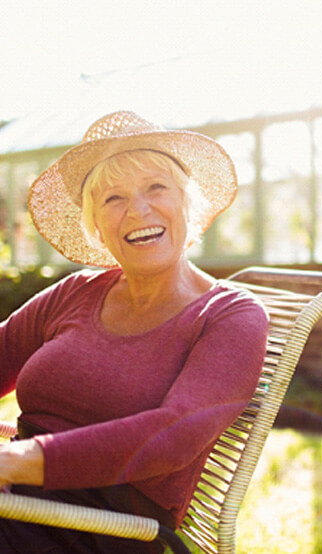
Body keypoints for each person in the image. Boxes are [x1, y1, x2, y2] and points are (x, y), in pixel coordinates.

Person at [0, 111, 269, 553]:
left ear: (188, 203)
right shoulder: (76, 291)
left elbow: (173, 436)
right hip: (19, 501)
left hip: (101, 530)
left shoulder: (230, 316)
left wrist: (16, 461)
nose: (138, 210)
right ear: (98, 227)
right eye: (113, 198)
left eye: (156, 188)